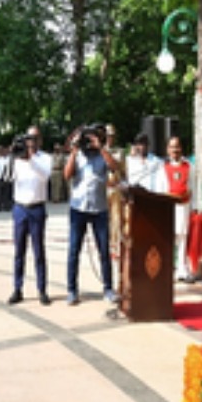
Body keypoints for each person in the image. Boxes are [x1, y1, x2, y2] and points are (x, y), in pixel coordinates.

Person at [63, 124, 120, 305]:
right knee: (74, 251)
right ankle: (72, 290)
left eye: (91, 139)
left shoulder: (103, 155)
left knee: (104, 251)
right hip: (78, 209)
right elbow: (66, 175)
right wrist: (73, 150)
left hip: (99, 209)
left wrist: (101, 147)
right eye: (86, 139)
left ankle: (108, 289)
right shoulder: (78, 155)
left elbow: (115, 167)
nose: (88, 143)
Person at [8, 126, 52, 305]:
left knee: (39, 251)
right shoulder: (17, 159)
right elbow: (8, 178)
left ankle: (42, 289)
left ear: (39, 140)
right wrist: (14, 155)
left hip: (37, 208)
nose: (31, 142)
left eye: (34, 138)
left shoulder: (45, 158)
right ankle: (17, 288)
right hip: (20, 207)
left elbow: (44, 176)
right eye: (28, 138)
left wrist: (31, 159)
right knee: (19, 251)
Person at [159, 136, 194, 282]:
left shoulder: (188, 167)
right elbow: (160, 189)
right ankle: (168, 269)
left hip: (184, 206)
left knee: (183, 237)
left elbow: (192, 187)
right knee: (169, 238)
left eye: (177, 147)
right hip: (169, 207)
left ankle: (182, 270)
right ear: (168, 149)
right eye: (172, 147)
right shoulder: (163, 168)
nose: (175, 150)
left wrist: (194, 207)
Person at [104, 124, 125, 257]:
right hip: (104, 188)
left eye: (111, 136)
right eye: (107, 136)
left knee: (117, 219)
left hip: (116, 187)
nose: (109, 138)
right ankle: (104, 244)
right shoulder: (99, 151)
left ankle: (115, 246)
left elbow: (122, 169)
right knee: (104, 218)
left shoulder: (119, 152)